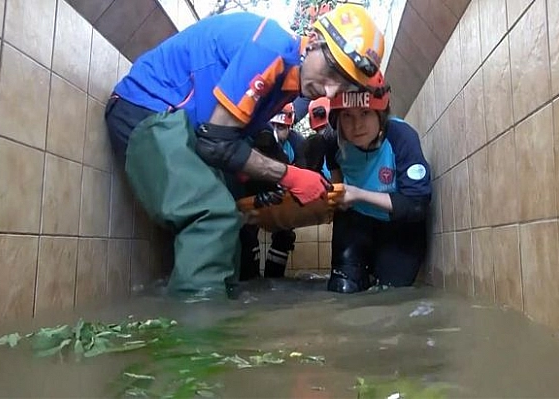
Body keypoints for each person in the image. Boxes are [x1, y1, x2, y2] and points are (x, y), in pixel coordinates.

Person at [103, 4, 386, 295]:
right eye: (331, 71)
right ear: (313, 41)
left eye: (342, 85)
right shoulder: (269, 49)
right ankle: (194, 332)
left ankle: (217, 317)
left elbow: (225, 142)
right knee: (213, 216)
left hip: (186, 130)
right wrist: (290, 177)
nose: (329, 91)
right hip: (145, 110)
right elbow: (215, 143)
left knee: (236, 217)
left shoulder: (289, 83)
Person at [323, 72, 432, 293]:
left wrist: (359, 194)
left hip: (400, 227)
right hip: (356, 221)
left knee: (390, 294)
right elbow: (336, 183)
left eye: (365, 113)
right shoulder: (332, 142)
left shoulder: (402, 137)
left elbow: (417, 205)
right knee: (342, 289)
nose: (357, 126)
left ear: (380, 115)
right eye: (347, 116)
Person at [239, 104, 306, 280]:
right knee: (246, 231)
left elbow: (302, 179)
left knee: (285, 234)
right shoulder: (257, 138)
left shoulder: (297, 144)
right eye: (273, 125)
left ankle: (275, 280)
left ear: (290, 126)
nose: (275, 131)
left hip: (283, 197)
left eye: (281, 127)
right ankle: (249, 279)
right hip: (253, 194)